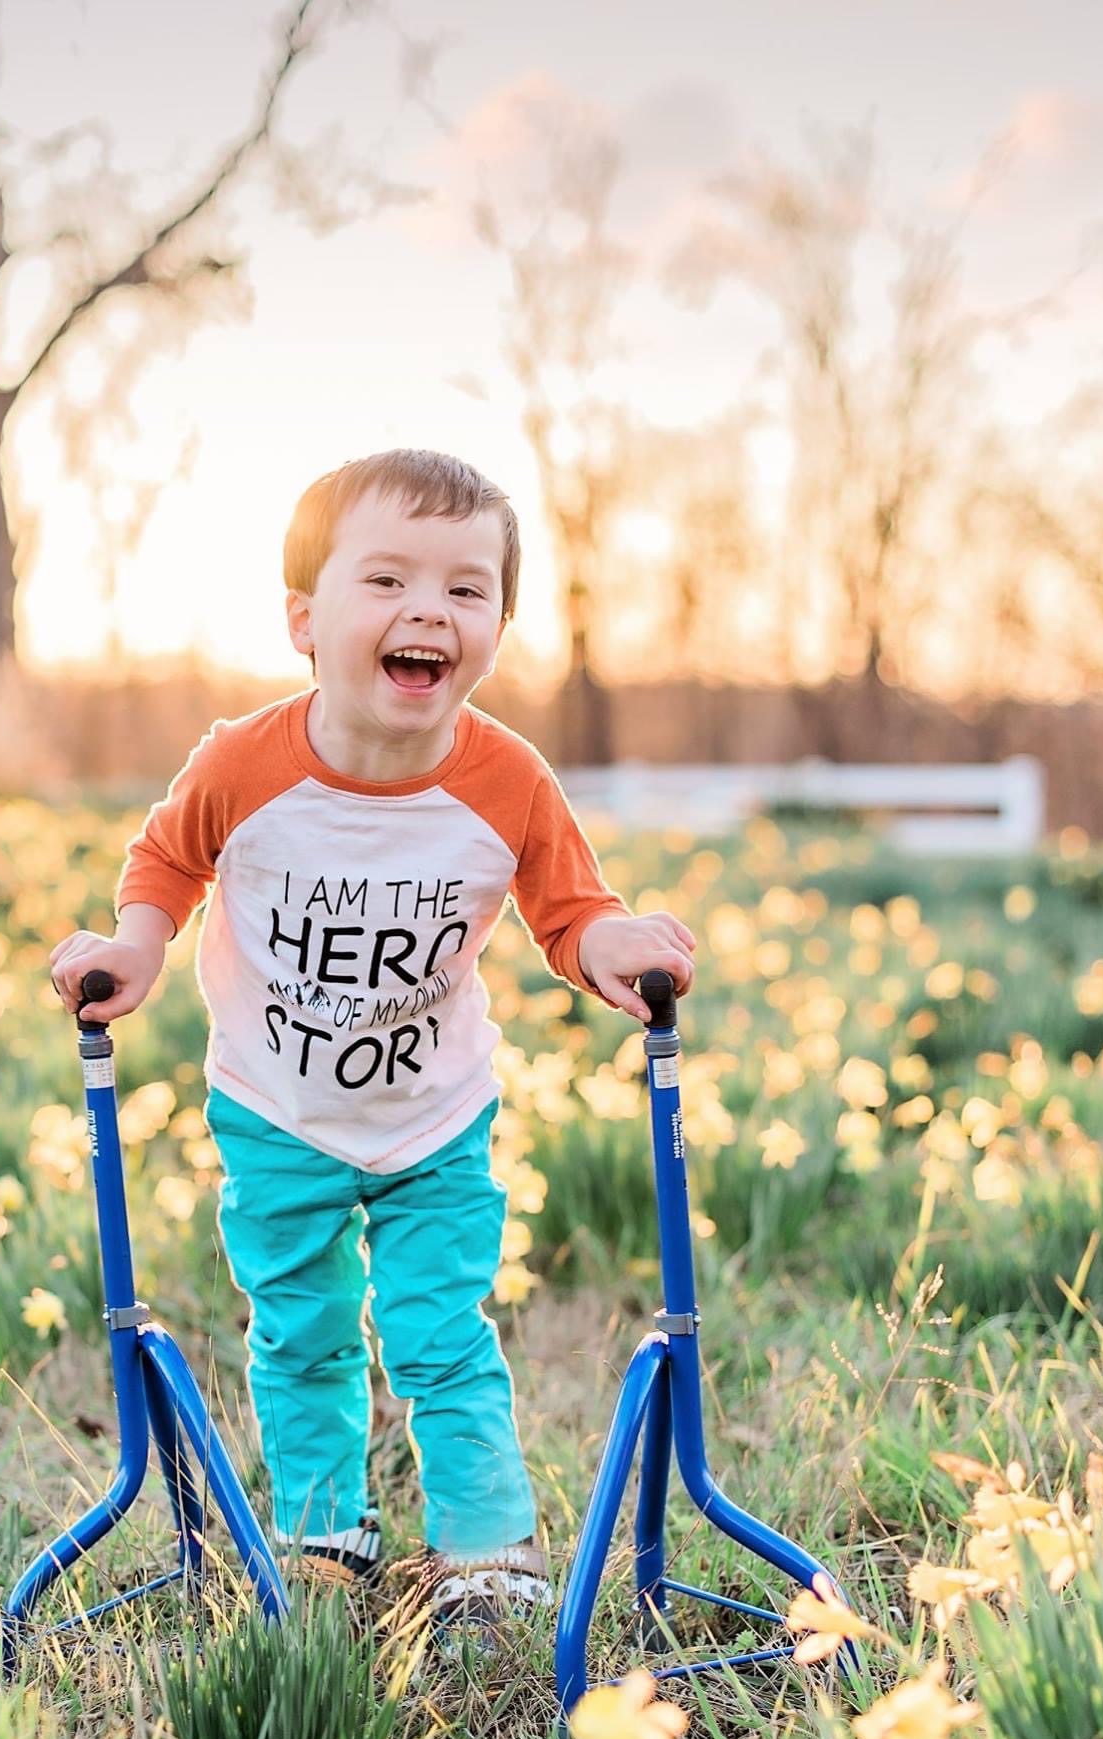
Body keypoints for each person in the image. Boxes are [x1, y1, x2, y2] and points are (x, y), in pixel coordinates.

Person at [50, 448, 695, 1642]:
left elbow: (567, 903)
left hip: (433, 1117)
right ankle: (323, 1530)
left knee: (441, 1329)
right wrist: (135, 950)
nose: (426, 611)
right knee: (297, 1325)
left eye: (465, 589)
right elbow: (167, 858)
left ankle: (485, 1551)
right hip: (275, 1106)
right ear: (305, 616)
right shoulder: (244, 761)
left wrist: (609, 940)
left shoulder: (507, 777)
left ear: (499, 623)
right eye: (386, 578)